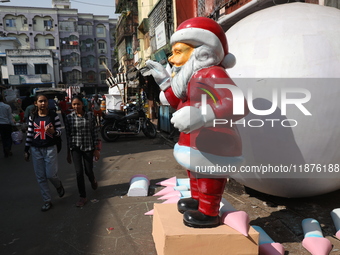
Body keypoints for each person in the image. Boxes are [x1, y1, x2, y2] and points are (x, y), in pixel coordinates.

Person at [146, 17, 248, 228]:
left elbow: (238, 103)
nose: (173, 59)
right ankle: (197, 199)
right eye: (172, 53)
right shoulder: (191, 75)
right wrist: (165, 81)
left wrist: (203, 115)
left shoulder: (213, 72)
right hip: (193, 140)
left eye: (178, 51)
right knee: (194, 170)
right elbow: (176, 101)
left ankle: (209, 211)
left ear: (201, 51)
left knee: (209, 171)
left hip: (214, 138)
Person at [24, 94, 65, 211]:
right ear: (36, 103)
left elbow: (59, 132)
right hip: (36, 149)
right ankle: (47, 200)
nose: (43, 103)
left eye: (45, 101)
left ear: (48, 103)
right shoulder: (33, 116)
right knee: (40, 177)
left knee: (51, 174)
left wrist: (53, 131)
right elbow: (30, 134)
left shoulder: (53, 115)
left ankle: (58, 185)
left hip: (50, 148)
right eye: (40, 101)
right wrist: (26, 150)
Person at [65, 95, 100, 207]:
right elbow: (68, 136)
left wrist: (96, 149)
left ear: (83, 104)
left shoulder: (90, 116)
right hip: (75, 148)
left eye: (78, 104)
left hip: (88, 147)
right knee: (78, 172)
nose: (76, 106)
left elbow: (94, 132)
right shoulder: (69, 117)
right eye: (74, 104)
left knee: (88, 171)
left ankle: (93, 180)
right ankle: (82, 196)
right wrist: (68, 153)